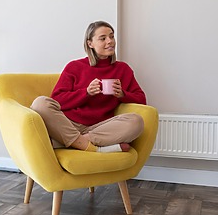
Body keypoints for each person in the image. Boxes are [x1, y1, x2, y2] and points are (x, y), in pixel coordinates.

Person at [31, 21, 146, 153]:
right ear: (90, 43)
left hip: (99, 127)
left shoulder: (123, 69)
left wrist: (122, 94)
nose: (110, 41)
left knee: (136, 122)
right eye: (103, 38)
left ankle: (66, 143)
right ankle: (95, 148)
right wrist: (86, 93)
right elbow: (57, 100)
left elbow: (141, 99)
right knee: (40, 103)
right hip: (68, 124)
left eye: (112, 36)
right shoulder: (74, 67)